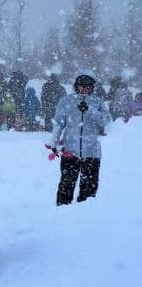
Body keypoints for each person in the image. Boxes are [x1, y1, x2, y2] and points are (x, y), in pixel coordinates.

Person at [50, 72, 111, 205]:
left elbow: (106, 121)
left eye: (88, 86)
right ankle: (62, 212)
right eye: (82, 86)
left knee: (89, 189)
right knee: (66, 185)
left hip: (91, 153)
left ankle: (86, 215)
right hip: (70, 152)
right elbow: (58, 123)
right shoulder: (66, 101)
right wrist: (54, 142)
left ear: (92, 87)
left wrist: (90, 110)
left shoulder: (97, 102)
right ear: (76, 86)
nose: (85, 89)